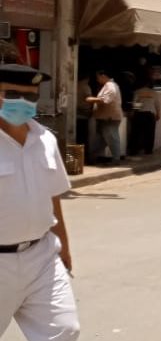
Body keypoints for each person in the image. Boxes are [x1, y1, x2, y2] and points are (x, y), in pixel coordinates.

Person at [0, 64, 80, 340]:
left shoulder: (45, 139)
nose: (23, 102)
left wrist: (65, 248)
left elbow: (53, 196)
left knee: (64, 331)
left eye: (31, 96)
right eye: (13, 94)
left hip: (41, 256)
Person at [86, 69, 123, 164]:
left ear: (103, 76)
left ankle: (116, 159)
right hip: (103, 118)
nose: (97, 80)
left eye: (98, 77)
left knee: (111, 138)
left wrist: (91, 99)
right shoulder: (107, 86)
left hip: (109, 118)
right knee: (101, 140)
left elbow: (106, 100)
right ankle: (94, 158)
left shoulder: (111, 86)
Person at [128, 79, 159, 156]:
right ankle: (148, 150)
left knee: (136, 133)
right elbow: (157, 104)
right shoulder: (154, 92)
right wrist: (158, 114)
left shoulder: (137, 91)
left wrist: (133, 112)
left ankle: (134, 150)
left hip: (139, 113)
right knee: (150, 133)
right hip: (150, 114)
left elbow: (135, 103)